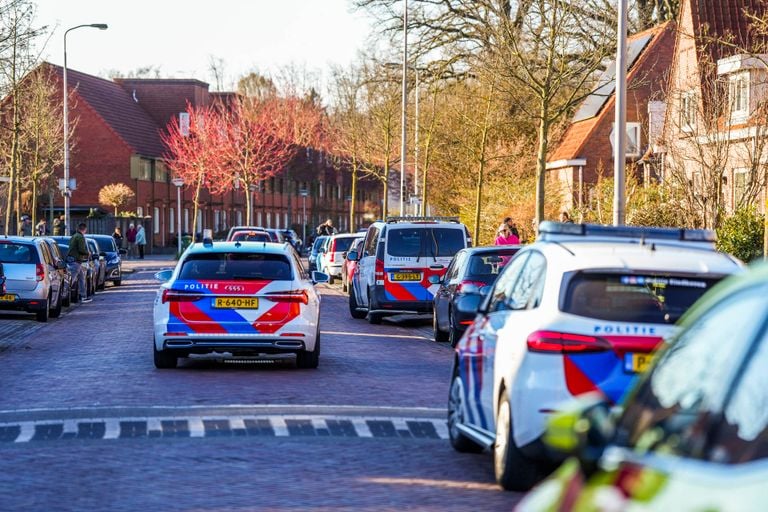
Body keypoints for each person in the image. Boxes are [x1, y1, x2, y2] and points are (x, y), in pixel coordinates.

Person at [67, 223, 92, 303]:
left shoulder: (74, 236)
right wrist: (88, 253)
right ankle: (64, 294)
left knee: (81, 278)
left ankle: (83, 296)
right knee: (71, 280)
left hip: (74, 260)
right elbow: (81, 249)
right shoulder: (80, 237)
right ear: (84, 229)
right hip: (76, 261)